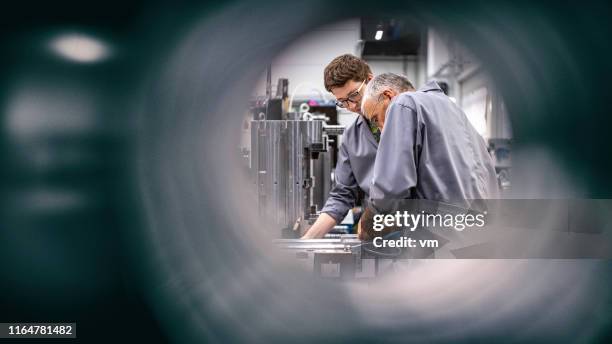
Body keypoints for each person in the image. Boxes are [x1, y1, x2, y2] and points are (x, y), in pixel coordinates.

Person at [302, 55, 413, 239]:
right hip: (381, 237)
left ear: (370, 80)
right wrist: (308, 239)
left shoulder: (412, 119)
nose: (352, 106)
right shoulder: (352, 137)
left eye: (354, 95)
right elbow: (342, 194)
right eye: (343, 102)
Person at [360, 73, 499, 214]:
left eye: (376, 119)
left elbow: (391, 188)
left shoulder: (402, 102)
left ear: (388, 96)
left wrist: (371, 217)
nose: (382, 129)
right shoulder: (453, 110)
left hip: (442, 231)